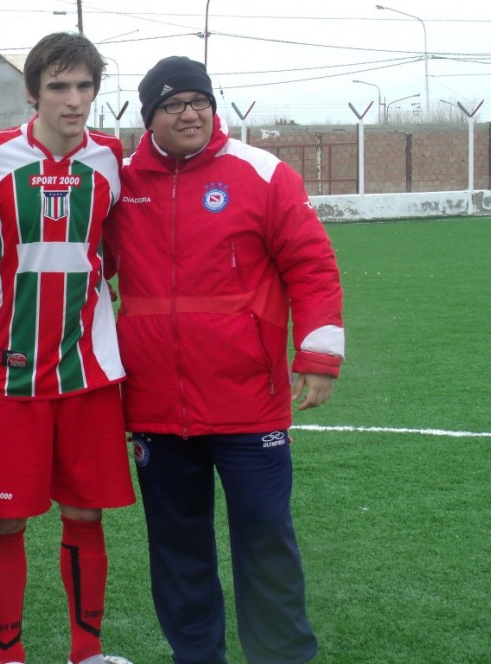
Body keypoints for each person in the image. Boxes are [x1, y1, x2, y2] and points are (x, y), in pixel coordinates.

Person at [105, 55, 345, 664]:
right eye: (172, 104)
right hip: (157, 406)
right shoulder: (119, 182)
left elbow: (311, 265)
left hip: (249, 405)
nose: (189, 113)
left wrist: (317, 354)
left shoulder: (263, 174)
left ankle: (283, 656)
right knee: (178, 548)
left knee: (265, 538)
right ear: (148, 116)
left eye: (198, 101)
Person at [0, 31, 136, 664]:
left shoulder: (113, 160)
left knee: (87, 515)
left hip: (90, 372)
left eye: (84, 87)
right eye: (59, 86)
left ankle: (85, 653)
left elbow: (116, 253)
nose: (73, 100)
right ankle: (9, 656)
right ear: (33, 91)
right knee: (7, 521)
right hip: (9, 374)